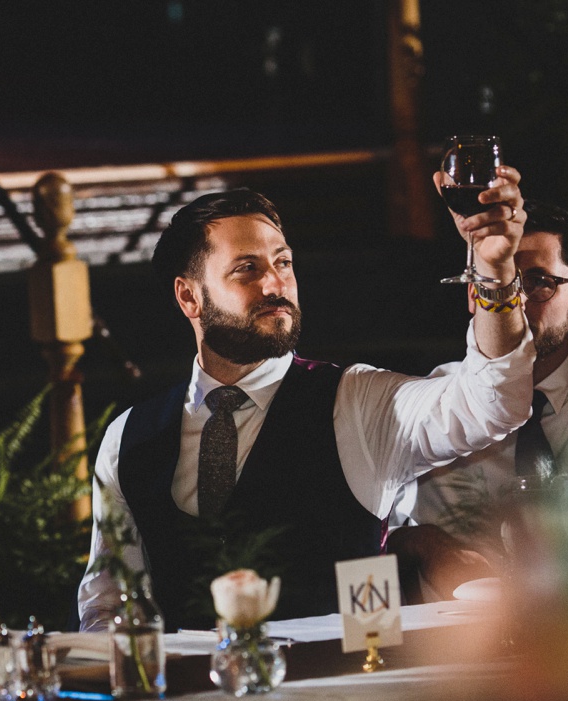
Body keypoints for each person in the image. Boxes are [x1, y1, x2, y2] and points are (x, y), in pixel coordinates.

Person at [78, 169, 533, 630]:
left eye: (284, 263)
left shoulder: (356, 402)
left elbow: (493, 402)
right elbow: (108, 606)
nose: (275, 285)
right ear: (189, 297)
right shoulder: (129, 439)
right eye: (247, 269)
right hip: (193, 699)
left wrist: (496, 272)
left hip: (345, 695)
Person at [391, 201, 568, 572]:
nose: (516, 300)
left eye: (540, 282)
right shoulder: (435, 400)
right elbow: (376, 529)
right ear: (474, 296)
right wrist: (427, 545)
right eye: (500, 283)